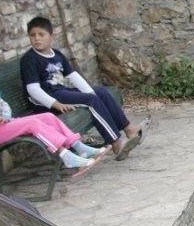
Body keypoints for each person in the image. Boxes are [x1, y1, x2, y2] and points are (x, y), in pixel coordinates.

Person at [0, 50, 106, 177]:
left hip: (5, 124)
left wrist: (5, 115)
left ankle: (78, 146)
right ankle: (66, 156)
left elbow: (3, 106)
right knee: (33, 124)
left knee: (48, 116)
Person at [20, 16, 145, 161]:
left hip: (59, 91)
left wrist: (91, 92)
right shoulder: (30, 59)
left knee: (100, 92)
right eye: (32, 35)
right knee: (91, 101)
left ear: (52, 36)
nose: (37, 39)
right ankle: (115, 143)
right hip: (47, 100)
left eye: (41, 35)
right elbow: (33, 90)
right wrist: (56, 104)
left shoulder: (57, 54)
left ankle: (129, 129)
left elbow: (72, 75)